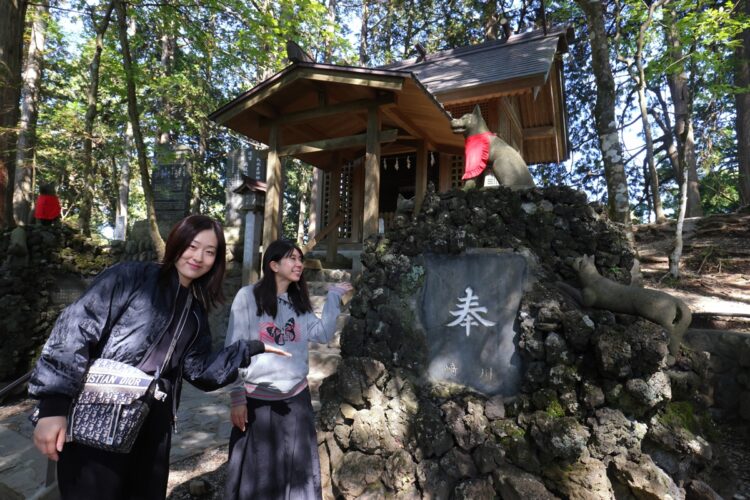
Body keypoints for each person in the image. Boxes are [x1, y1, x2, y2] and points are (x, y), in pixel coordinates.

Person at [28, 215, 290, 500]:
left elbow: (201, 371)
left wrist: (250, 348)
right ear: (176, 242)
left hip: (153, 426)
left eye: (210, 251)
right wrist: (53, 406)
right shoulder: (131, 276)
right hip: (102, 411)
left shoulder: (195, 311)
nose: (198, 257)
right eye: (192, 246)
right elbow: (76, 328)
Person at [223, 239, 353, 500]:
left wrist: (333, 298)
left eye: (300, 259)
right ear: (273, 264)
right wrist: (237, 396)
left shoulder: (298, 303)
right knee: (257, 477)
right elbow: (234, 349)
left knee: (296, 476)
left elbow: (323, 333)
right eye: (292, 258)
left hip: (296, 401)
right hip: (256, 402)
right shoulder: (247, 297)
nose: (299, 264)